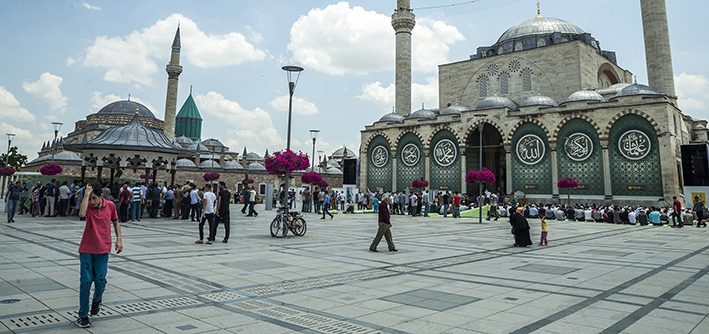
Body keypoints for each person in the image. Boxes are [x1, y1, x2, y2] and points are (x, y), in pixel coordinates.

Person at [75, 183, 122, 328]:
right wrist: (86, 196)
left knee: (100, 281)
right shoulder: (88, 205)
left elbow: (116, 222)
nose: (91, 202)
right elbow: (82, 214)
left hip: (103, 249)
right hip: (87, 249)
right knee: (85, 282)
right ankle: (83, 315)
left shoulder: (110, 206)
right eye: (90, 199)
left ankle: (97, 300)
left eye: (94, 199)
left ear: (102, 197)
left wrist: (119, 240)